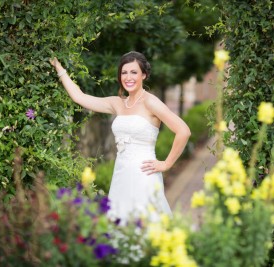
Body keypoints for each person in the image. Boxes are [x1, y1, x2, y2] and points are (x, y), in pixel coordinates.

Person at [50, 51, 191, 223]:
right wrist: (59, 68)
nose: (128, 77)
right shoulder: (118, 103)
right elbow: (80, 97)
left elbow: (183, 131)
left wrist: (167, 163)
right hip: (121, 174)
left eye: (134, 72)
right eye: (124, 72)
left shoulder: (150, 102)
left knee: (146, 224)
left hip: (144, 175)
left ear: (144, 75)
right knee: (120, 225)